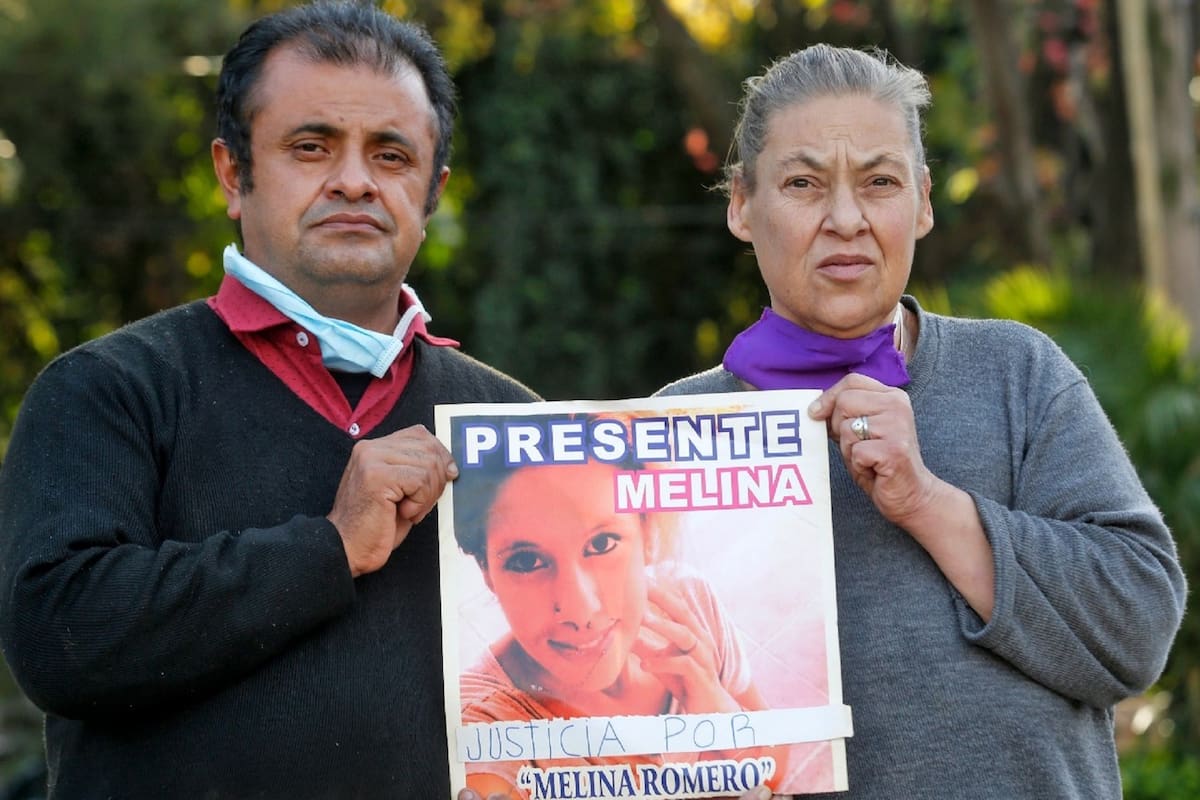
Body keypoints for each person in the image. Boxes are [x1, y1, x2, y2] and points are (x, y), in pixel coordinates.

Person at [0, 2, 545, 797]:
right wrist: (328, 548)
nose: (354, 180)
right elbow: (59, 640)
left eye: (391, 155)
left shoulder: (510, 428)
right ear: (233, 174)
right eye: (311, 146)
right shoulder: (108, 390)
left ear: (432, 192)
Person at [655, 43, 1188, 799]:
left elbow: (1138, 628)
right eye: (804, 183)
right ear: (742, 204)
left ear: (924, 202)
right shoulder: (671, 436)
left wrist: (927, 502)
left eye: (880, 182)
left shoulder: (1017, 374)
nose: (846, 220)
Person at [448, 432, 818, 798]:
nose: (581, 610)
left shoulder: (689, 603)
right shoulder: (484, 712)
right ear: (487, 574)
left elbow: (772, 767)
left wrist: (715, 704)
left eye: (601, 543)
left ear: (648, 536)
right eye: (527, 561)